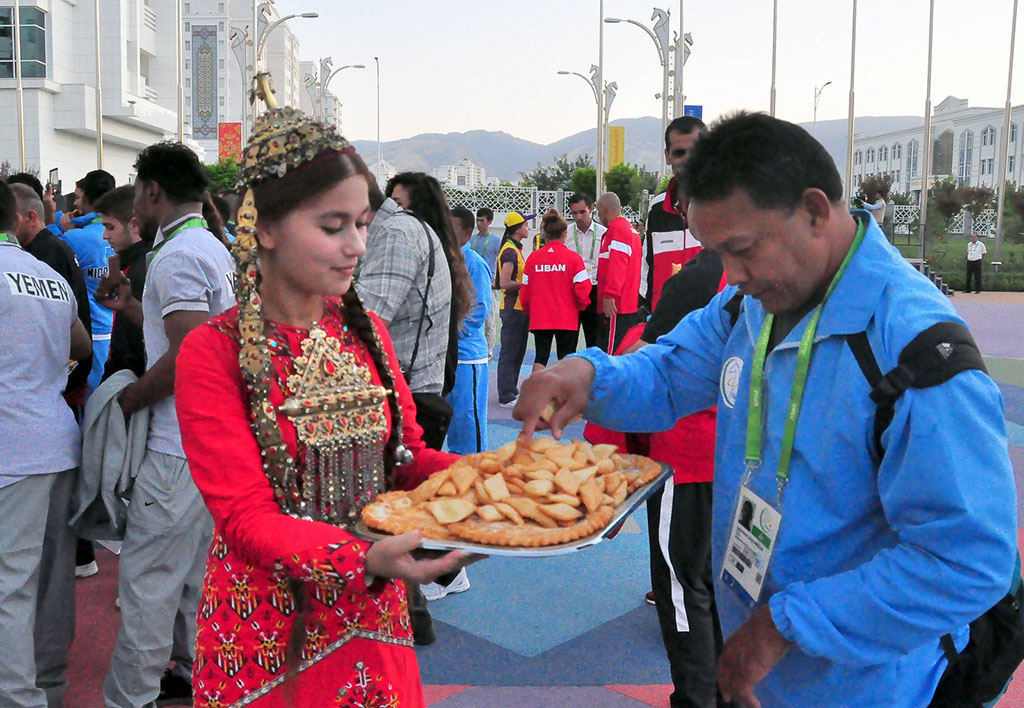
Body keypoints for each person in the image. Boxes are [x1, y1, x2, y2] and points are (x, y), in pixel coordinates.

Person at [514, 112, 1016, 708]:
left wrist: (787, 624)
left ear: (813, 210)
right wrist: (590, 373)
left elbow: (966, 560)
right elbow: (672, 369)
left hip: (870, 686)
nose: (730, 275)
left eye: (743, 250)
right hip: (762, 672)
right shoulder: (748, 304)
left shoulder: (913, 351)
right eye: (718, 253)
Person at [174, 98, 476, 708]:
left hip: (375, 618)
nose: (357, 246)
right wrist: (366, 556)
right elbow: (245, 518)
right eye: (333, 226)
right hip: (264, 636)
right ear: (263, 228)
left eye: (363, 224)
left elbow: (406, 460)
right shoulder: (213, 352)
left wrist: (506, 480)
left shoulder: (366, 333)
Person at [100, 142, 237, 708]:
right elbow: (195, 333)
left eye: (137, 194)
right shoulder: (207, 246)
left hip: (177, 447)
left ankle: (133, 697)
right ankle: (191, 674)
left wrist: (131, 398)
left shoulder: (178, 256)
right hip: (207, 446)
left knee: (147, 585)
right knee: (192, 582)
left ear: (154, 191)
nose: (133, 211)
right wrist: (135, 308)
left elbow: (190, 354)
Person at [0, 179, 93, 708]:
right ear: (15, 219)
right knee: (52, 584)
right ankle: (49, 687)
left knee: (9, 587)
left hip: (11, 451)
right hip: (57, 441)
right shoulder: (46, 275)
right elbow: (79, 344)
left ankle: (18, 699)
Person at [9, 182, 93, 400]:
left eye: (11, 220)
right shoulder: (48, 249)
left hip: (59, 379)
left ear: (30, 216)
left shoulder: (45, 257)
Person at [642, 116, 708, 311]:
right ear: (667, 156)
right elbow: (647, 270)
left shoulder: (728, 206)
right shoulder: (657, 208)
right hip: (664, 328)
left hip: (711, 330)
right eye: (680, 153)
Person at [60, 169, 116, 394]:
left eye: (78, 197)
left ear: (89, 200)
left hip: (89, 336)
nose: (75, 202)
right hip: (117, 330)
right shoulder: (125, 232)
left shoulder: (73, 237)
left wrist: (63, 230)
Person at [445, 206, 492, 456]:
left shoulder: (474, 264)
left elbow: (480, 307)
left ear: (467, 233)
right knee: (448, 416)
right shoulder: (442, 261)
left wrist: (453, 333)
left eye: (451, 230)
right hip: (444, 357)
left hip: (467, 356)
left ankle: (475, 468)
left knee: (468, 416)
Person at [521, 209, 591, 371]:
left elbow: (525, 291)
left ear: (545, 233)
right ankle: (564, 394)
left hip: (541, 317)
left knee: (540, 357)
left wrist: (529, 310)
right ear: (565, 234)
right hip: (566, 317)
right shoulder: (574, 258)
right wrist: (581, 306)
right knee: (566, 359)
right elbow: (583, 289)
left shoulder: (533, 258)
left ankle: (536, 393)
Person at [93, 185, 152, 379]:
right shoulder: (135, 264)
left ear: (134, 225)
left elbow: (130, 345)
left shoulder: (138, 272)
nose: (105, 235)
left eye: (111, 227)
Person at [595, 192, 642, 353]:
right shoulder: (629, 230)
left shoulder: (618, 230)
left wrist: (610, 294)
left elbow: (618, 263)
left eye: (598, 210)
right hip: (626, 302)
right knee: (621, 349)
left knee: (611, 352)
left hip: (617, 305)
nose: (598, 215)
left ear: (603, 208)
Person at [495, 210, 533, 406]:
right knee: (510, 351)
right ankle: (506, 394)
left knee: (518, 350)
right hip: (512, 308)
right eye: (526, 224)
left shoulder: (514, 249)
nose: (528, 227)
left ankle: (511, 389)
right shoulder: (509, 251)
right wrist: (528, 284)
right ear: (518, 229)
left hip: (519, 308)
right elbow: (505, 282)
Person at [565, 193, 606, 349]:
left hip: (594, 288)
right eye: (574, 213)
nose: (579, 217)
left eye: (582, 212)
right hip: (572, 291)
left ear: (591, 209)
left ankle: (593, 372)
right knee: (569, 340)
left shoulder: (603, 233)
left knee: (594, 339)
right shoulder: (566, 233)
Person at [471, 207, 501, 356]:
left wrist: (497, 280)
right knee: (473, 316)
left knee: (489, 319)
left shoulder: (496, 241)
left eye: (482, 220)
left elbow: (502, 260)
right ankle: (476, 346)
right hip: (472, 284)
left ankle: (488, 350)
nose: (478, 223)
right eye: (477, 220)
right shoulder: (472, 239)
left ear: (489, 222)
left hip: (488, 284)